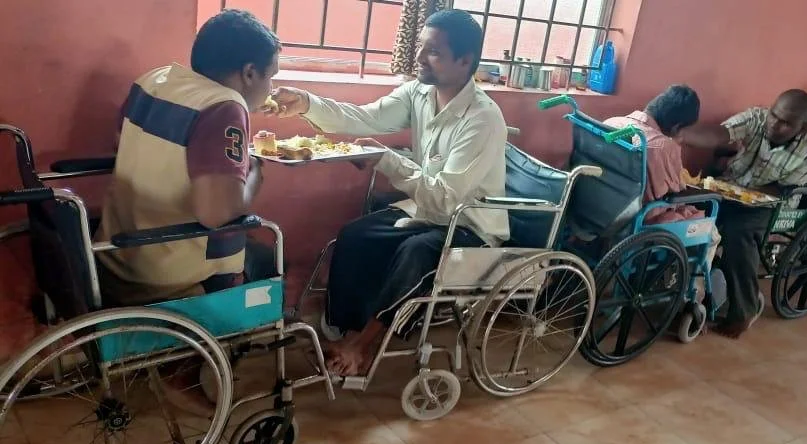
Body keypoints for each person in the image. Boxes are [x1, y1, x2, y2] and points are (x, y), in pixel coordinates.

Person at [269, 10, 508, 376]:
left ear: (466, 61)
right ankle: (344, 325)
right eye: (421, 47)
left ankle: (360, 346)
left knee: (416, 252)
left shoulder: (482, 119)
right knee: (356, 235)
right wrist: (307, 103)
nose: (419, 58)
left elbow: (447, 197)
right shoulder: (420, 93)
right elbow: (364, 118)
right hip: (429, 211)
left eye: (433, 52)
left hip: (469, 223)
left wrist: (388, 160)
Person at [95, 9, 281, 415]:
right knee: (264, 255)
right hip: (165, 267)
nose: (270, 88)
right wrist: (253, 174)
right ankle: (180, 369)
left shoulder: (157, 79)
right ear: (249, 72)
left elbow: (118, 142)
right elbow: (217, 213)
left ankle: (169, 357)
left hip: (112, 248)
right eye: (271, 76)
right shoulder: (226, 107)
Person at [680, 89, 807, 338]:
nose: (775, 125)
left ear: (801, 128)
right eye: (774, 115)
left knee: (738, 233)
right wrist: (680, 134)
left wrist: (743, 194)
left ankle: (744, 310)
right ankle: (690, 295)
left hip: (772, 202)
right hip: (730, 186)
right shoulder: (757, 118)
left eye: (785, 123)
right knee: (688, 215)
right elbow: (720, 134)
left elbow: (784, 189)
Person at [602, 85, 721, 270]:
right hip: (639, 221)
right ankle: (695, 289)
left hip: (601, 209)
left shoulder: (613, 123)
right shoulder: (662, 146)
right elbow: (675, 191)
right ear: (677, 127)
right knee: (711, 232)